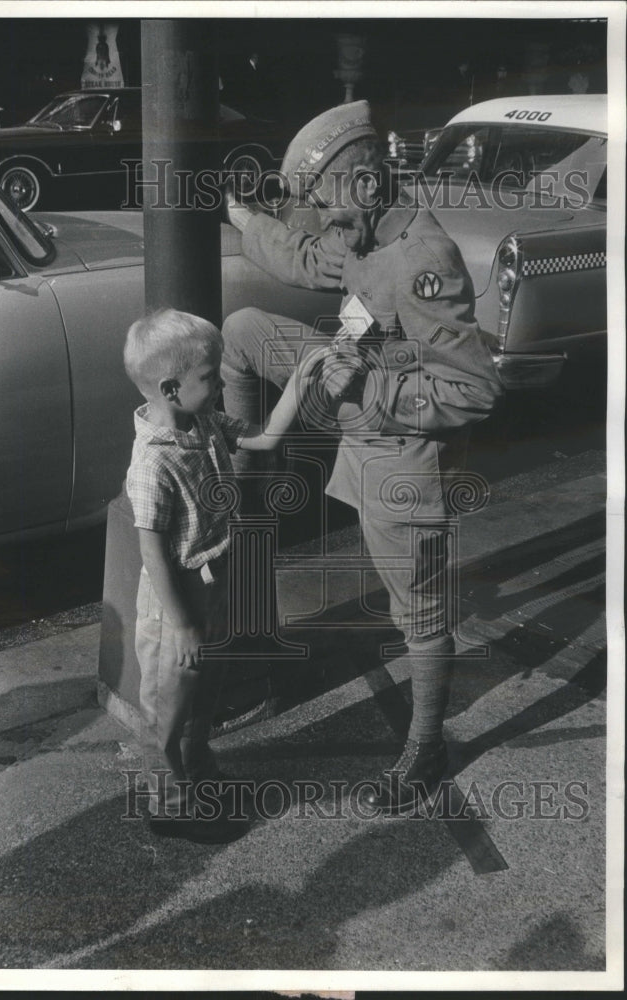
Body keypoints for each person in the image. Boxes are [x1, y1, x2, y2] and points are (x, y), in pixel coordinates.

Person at [222, 100, 505, 812]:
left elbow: (474, 390)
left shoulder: (421, 262)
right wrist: (246, 219)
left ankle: (424, 750)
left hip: (402, 456)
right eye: (314, 206)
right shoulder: (360, 230)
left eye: (324, 204)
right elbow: (308, 255)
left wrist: (373, 388)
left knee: (418, 612)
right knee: (244, 329)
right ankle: (242, 467)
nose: (320, 220)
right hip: (353, 407)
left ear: (368, 186)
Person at [123, 308, 324, 842]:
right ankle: (172, 802)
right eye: (211, 376)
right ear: (171, 388)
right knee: (170, 704)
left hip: (214, 583)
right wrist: (184, 625)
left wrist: (300, 380)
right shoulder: (152, 463)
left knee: (205, 691)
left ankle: (199, 772)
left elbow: (262, 439)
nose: (220, 383)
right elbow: (153, 553)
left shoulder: (203, 421)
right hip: (177, 604)